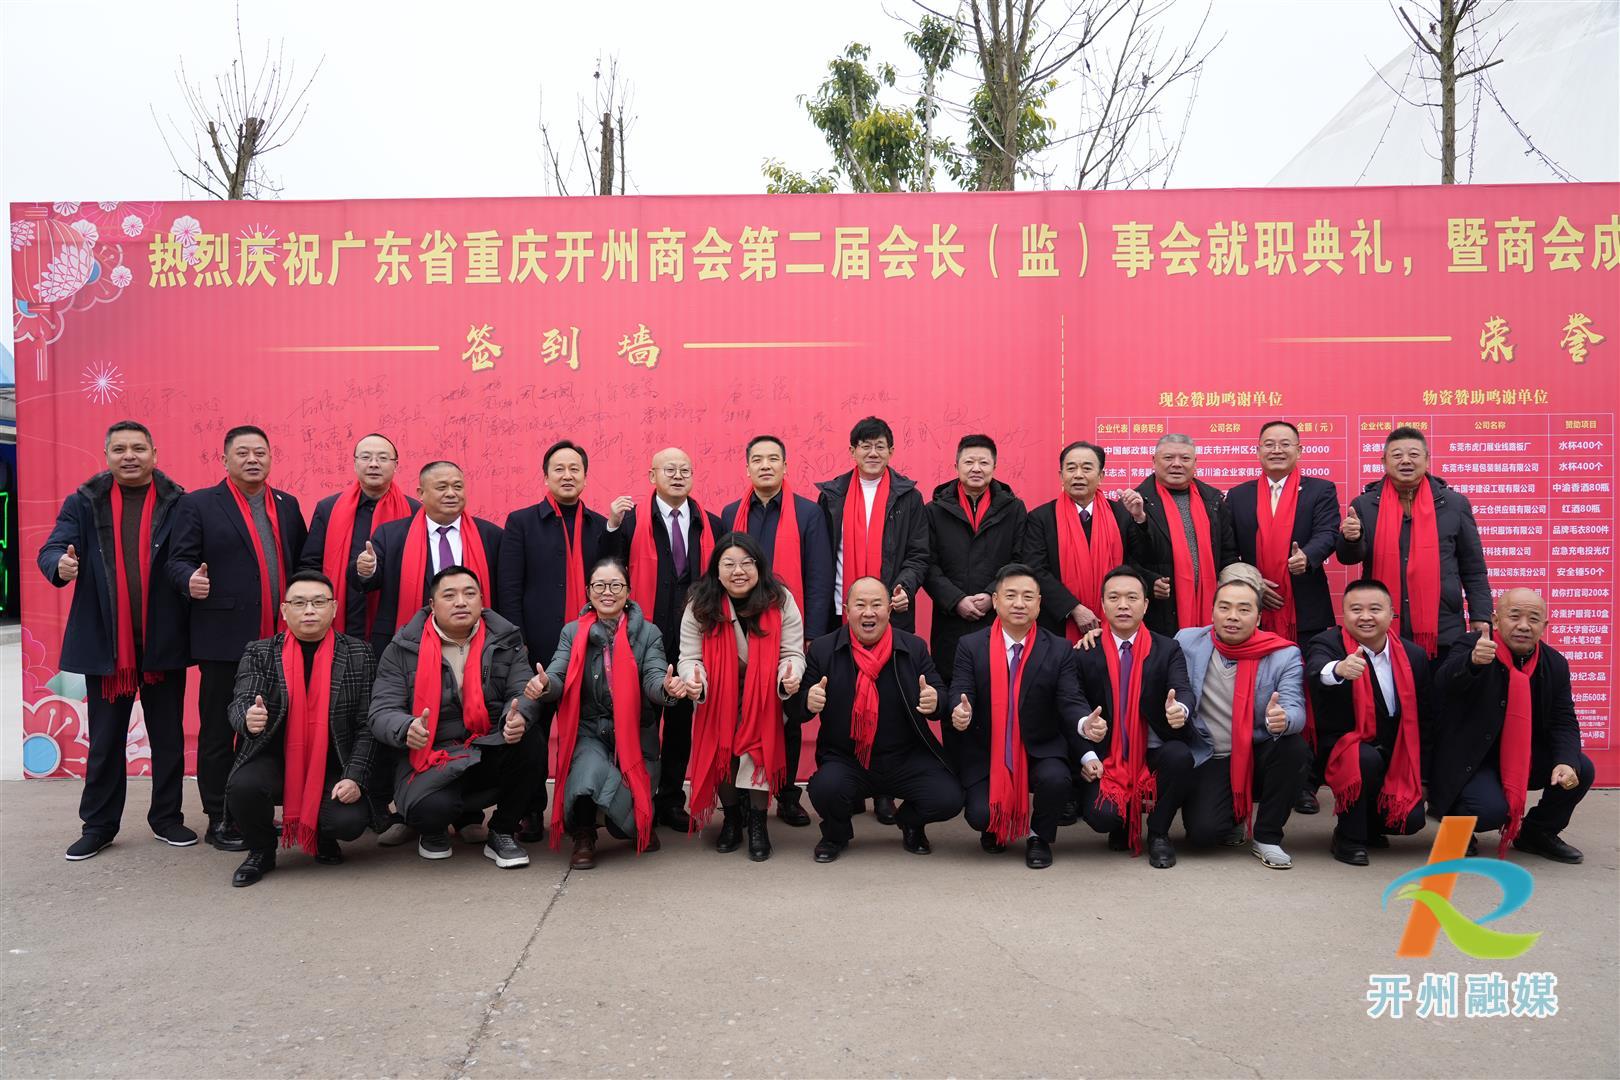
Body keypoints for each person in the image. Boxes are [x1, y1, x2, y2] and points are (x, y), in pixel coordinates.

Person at [38, 421, 194, 860]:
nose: (130, 456)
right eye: (120, 448)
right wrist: (60, 565)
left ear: (154, 454)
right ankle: (99, 826)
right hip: (108, 645)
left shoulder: (178, 502)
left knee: (168, 739)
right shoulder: (84, 502)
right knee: (105, 742)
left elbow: (190, 556)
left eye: (138, 448)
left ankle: (168, 819)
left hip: (163, 641)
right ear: (106, 455)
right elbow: (53, 548)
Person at [166, 425, 307, 852]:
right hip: (224, 639)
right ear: (224, 459)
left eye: (260, 452)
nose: (252, 459)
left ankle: (256, 810)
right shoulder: (198, 504)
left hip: (280, 641)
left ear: (270, 458)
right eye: (242, 452)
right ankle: (218, 816)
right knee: (218, 730)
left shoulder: (286, 505)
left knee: (271, 728)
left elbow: (302, 564)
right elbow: (177, 560)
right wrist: (188, 580)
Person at [357, 459, 503, 845]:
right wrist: (366, 572)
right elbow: (369, 586)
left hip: (471, 646)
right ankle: (407, 811)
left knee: (467, 722)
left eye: (458, 486)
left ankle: (467, 814)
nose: (451, 493)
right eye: (441, 487)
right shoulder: (391, 534)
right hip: (407, 651)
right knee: (409, 725)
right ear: (420, 493)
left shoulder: (489, 535)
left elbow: (500, 595)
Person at [498, 440, 629, 841]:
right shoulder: (521, 522)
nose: (567, 475)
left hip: (589, 651)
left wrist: (613, 527)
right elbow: (509, 589)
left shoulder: (599, 525)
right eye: (559, 468)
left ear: (585, 477)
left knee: (583, 733)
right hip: (535, 649)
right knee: (533, 732)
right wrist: (517, 646)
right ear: (546, 477)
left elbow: (613, 574)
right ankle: (531, 809)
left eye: (575, 469)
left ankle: (579, 812)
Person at [369, 566, 539, 868]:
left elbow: (522, 689)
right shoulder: (403, 648)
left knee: (530, 740)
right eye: (449, 595)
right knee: (430, 810)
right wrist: (406, 727)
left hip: (486, 746)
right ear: (432, 605)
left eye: (469, 594)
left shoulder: (505, 639)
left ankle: (502, 831)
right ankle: (431, 830)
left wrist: (518, 717)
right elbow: (382, 710)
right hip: (433, 754)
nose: (461, 602)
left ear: (482, 600)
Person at [222, 571, 377, 886]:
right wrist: (248, 718)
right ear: (284, 610)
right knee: (243, 787)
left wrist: (355, 777)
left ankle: (322, 835)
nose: (309, 610)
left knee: (348, 821)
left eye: (318, 602)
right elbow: (240, 701)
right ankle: (261, 851)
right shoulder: (261, 652)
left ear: (334, 608)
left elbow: (367, 725)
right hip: (275, 760)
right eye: (299, 603)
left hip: (333, 763)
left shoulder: (359, 653)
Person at [299, 433, 419, 840]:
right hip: (341, 630)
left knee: (387, 714)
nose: (374, 464)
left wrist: (374, 571)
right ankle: (343, 794)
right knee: (346, 714)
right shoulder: (329, 509)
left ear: (396, 465)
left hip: (390, 631)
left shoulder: (414, 511)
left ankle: (385, 801)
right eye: (366, 456)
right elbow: (309, 563)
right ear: (354, 462)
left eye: (383, 457)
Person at [796, 576, 962, 862]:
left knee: (949, 797)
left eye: (877, 605)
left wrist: (936, 701)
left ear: (889, 609)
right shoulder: (823, 650)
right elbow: (796, 708)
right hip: (848, 758)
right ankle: (836, 834)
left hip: (905, 757)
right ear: (847, 610)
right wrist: (806, 702)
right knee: (825, 789)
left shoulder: (913, 647)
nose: (868, 613)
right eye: (860, 605)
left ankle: (910, 823)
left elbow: (942, 697)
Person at [534, 557, 686, 868]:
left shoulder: (648, 633)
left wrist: (666, 689)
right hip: (590, 728)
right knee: (587, 770)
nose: (607, 592)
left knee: (623, 826)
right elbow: (557, 674)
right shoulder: (572, 632)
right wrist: (545, 684)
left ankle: (632, 822)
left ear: (628, 592)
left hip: (634, 733)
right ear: (588, 591)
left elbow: (654, 676)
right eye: (600, 585)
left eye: (616, 585)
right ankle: (584, 834)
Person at [948, 563, 1101, 869]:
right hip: (990, 751)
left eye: (1028, 597)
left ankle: (1039, 836)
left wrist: (1085, 723)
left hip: (1040, 747)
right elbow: (961, 690)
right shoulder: (971, 645)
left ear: (1039, 604)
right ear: (995, 601)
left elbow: (1070, 700)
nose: (1019, 603)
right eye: (1011, 595)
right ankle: (995, 825)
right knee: (981, 816)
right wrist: (960, 711)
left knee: (1056, 781)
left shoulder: (1058, 648)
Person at [1225, 420, 1342, 815]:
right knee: (1253, 693)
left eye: (1285, 444)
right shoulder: (1239, 496)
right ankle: (1256, 776)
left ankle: (1304, 782)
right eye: (1269, 444)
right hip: (1252, 615)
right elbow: (1228, 549)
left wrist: (1307, 556)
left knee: (1305, 694)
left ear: (1299, 450)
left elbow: (1328, 533)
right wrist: (1253, 583)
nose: (1277, 450)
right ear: (1258, 450)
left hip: (1305, 612)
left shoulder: (1320, 490)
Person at [1429, 589, 1594, 864]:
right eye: (1514, 616)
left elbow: (1563, 719)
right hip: (1471, 759)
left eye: (1533, 619)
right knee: (1489, 811)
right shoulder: (1472, 646)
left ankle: (1537, 833)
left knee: (1581, 768)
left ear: (1545, 625)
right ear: (1496, 620)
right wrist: (1472, 663)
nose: (1524, 626)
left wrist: (1565, 760)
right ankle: (1456, 825)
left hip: (1520, 756)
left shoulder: (1554, 664)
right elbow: (1443, 684)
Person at [721, 435, 834, 828]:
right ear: (747, 468)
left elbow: (819, 574)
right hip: (738, 630)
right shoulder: (731, 513)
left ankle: (786, 795)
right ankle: (741, 796)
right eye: (758, 459)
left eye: (773, 459)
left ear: (785, 466)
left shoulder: (808, 513)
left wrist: (811, 633)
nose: (765, 465)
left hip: (787, 629)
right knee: (740, 713)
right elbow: (722, 573)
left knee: (788, 713)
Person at [676, 532, 807, 862]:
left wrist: (790, 674)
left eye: (747, 563)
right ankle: (732, 819)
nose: (738, 571)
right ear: (716, 570)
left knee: (757, 750)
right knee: (723, 752)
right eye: (729, 564)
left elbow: (792, 652)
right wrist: (693, 680)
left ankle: (758, 823)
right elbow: (689, 657)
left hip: (764, 696)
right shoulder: (700, 604)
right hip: (718, 695)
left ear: (759, 566)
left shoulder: (780, 600)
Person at [617, 448, 723, 834]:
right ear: (652, 476)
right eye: (669, 470)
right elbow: (608, 571)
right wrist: (611, 528)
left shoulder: (710, 523)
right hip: (642, 639)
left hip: (692, 641)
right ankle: (636, 798)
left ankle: (671, 800)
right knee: (641, 720)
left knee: (680, 723)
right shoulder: (631, 522)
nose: (678, 476)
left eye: (685, 470)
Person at [1173, 577, 1310, 869]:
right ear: (1212, 612)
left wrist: (1283, 719)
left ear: (1258, 617)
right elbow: (1148, 649)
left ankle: (1267, 837)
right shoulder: (1187, 641)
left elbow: (1296, 708)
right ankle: (1232, 815)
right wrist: (1097, 635)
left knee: (1294, 748)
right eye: (1224, 607)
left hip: (1256, 749)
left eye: (1244, 609)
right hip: (1213, 754)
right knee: (1203, 835)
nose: (1232, 616)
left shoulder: (1283, 654)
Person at [1336, 426, 1492, 670]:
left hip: (1442, 625)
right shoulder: (1365, 505)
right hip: (1381, 626)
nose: (1406, 460)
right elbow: (1348, 558)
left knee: (1441, 689)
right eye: (1397, 455)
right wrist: (1351, 539)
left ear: (1427, 459)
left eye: (1414, 454)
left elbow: (1473, 569)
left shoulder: (1454, 504)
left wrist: (1481, 615)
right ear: (1384, 461)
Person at [1070, 566, 1194, 869]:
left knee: (1180, 756)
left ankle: (1159, 832)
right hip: (1107, 754)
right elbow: (1071, 704)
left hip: (1152, 750)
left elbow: (1183, 690)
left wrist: (1180, 710)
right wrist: (1086, 753)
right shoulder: (1086, 650)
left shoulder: (1167, 648)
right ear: (1102, 605)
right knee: (1102, 818)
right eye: (1114, 598)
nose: (1123, 605)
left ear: (1146, 604)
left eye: (1132, 598)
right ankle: (1122, 821)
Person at [1304, 579, 1431, 866]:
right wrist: (1339, 669)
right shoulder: (1328, 643)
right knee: (1364, 759)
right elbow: (1316, 670)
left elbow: (1425, 720)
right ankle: (1348, 837)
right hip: (1342, 747)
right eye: (1356, 609)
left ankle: (1371, 825)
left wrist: (1423, 779)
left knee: (1410, 821)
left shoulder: (1413, 655)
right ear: (1344, 613)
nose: (1365, 617)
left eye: (1375, 609)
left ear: (1391, 613)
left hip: (1397, 752)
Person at [923, 434, 1028, 770]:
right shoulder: (934, 510)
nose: (976, 468)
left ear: (995, 467)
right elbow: (927, 563)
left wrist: (992, 595)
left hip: (996, 618)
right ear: (956, 466)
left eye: (984, 462)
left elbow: (1020, 559)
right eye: (969, 462)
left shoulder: (1013, 509)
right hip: (951, 620)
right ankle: (956, 773)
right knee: (954, 695)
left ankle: (996, 772)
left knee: (997, 693)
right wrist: (955, 600)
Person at [1023, 440, 1157, 642]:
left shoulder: (1121, 513)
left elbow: (1141, 559)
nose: (1078, 475)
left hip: (1116, 619)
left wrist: (1139, 518)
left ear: (1101, 475)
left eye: (1086, 468)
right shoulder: (1041, 517)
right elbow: (1036, 569)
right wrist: (1073, 608)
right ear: (1061, 475)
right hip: (1059, 624)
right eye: (1071, 468)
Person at [816, 416, 930, 634]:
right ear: (853, 451)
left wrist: (905, 588)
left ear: (891, 451)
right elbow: (821, 556)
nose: (873, 453)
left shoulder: (909, 498)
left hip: (891, 606)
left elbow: (919, 554)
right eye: (866, 446)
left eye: (880, 446)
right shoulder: (832, 497)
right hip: (840, 608)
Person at [1134, 434, 1239, 638]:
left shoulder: (1213, 501)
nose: (1176, 464)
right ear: (1154, 461)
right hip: (1158, 610)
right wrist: (1149, 582)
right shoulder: (1137, 502)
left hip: (1211, 606)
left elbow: (1228, 554)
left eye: (1185, 458)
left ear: (1195, 463)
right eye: (1168, 458)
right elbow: (1126, 559)